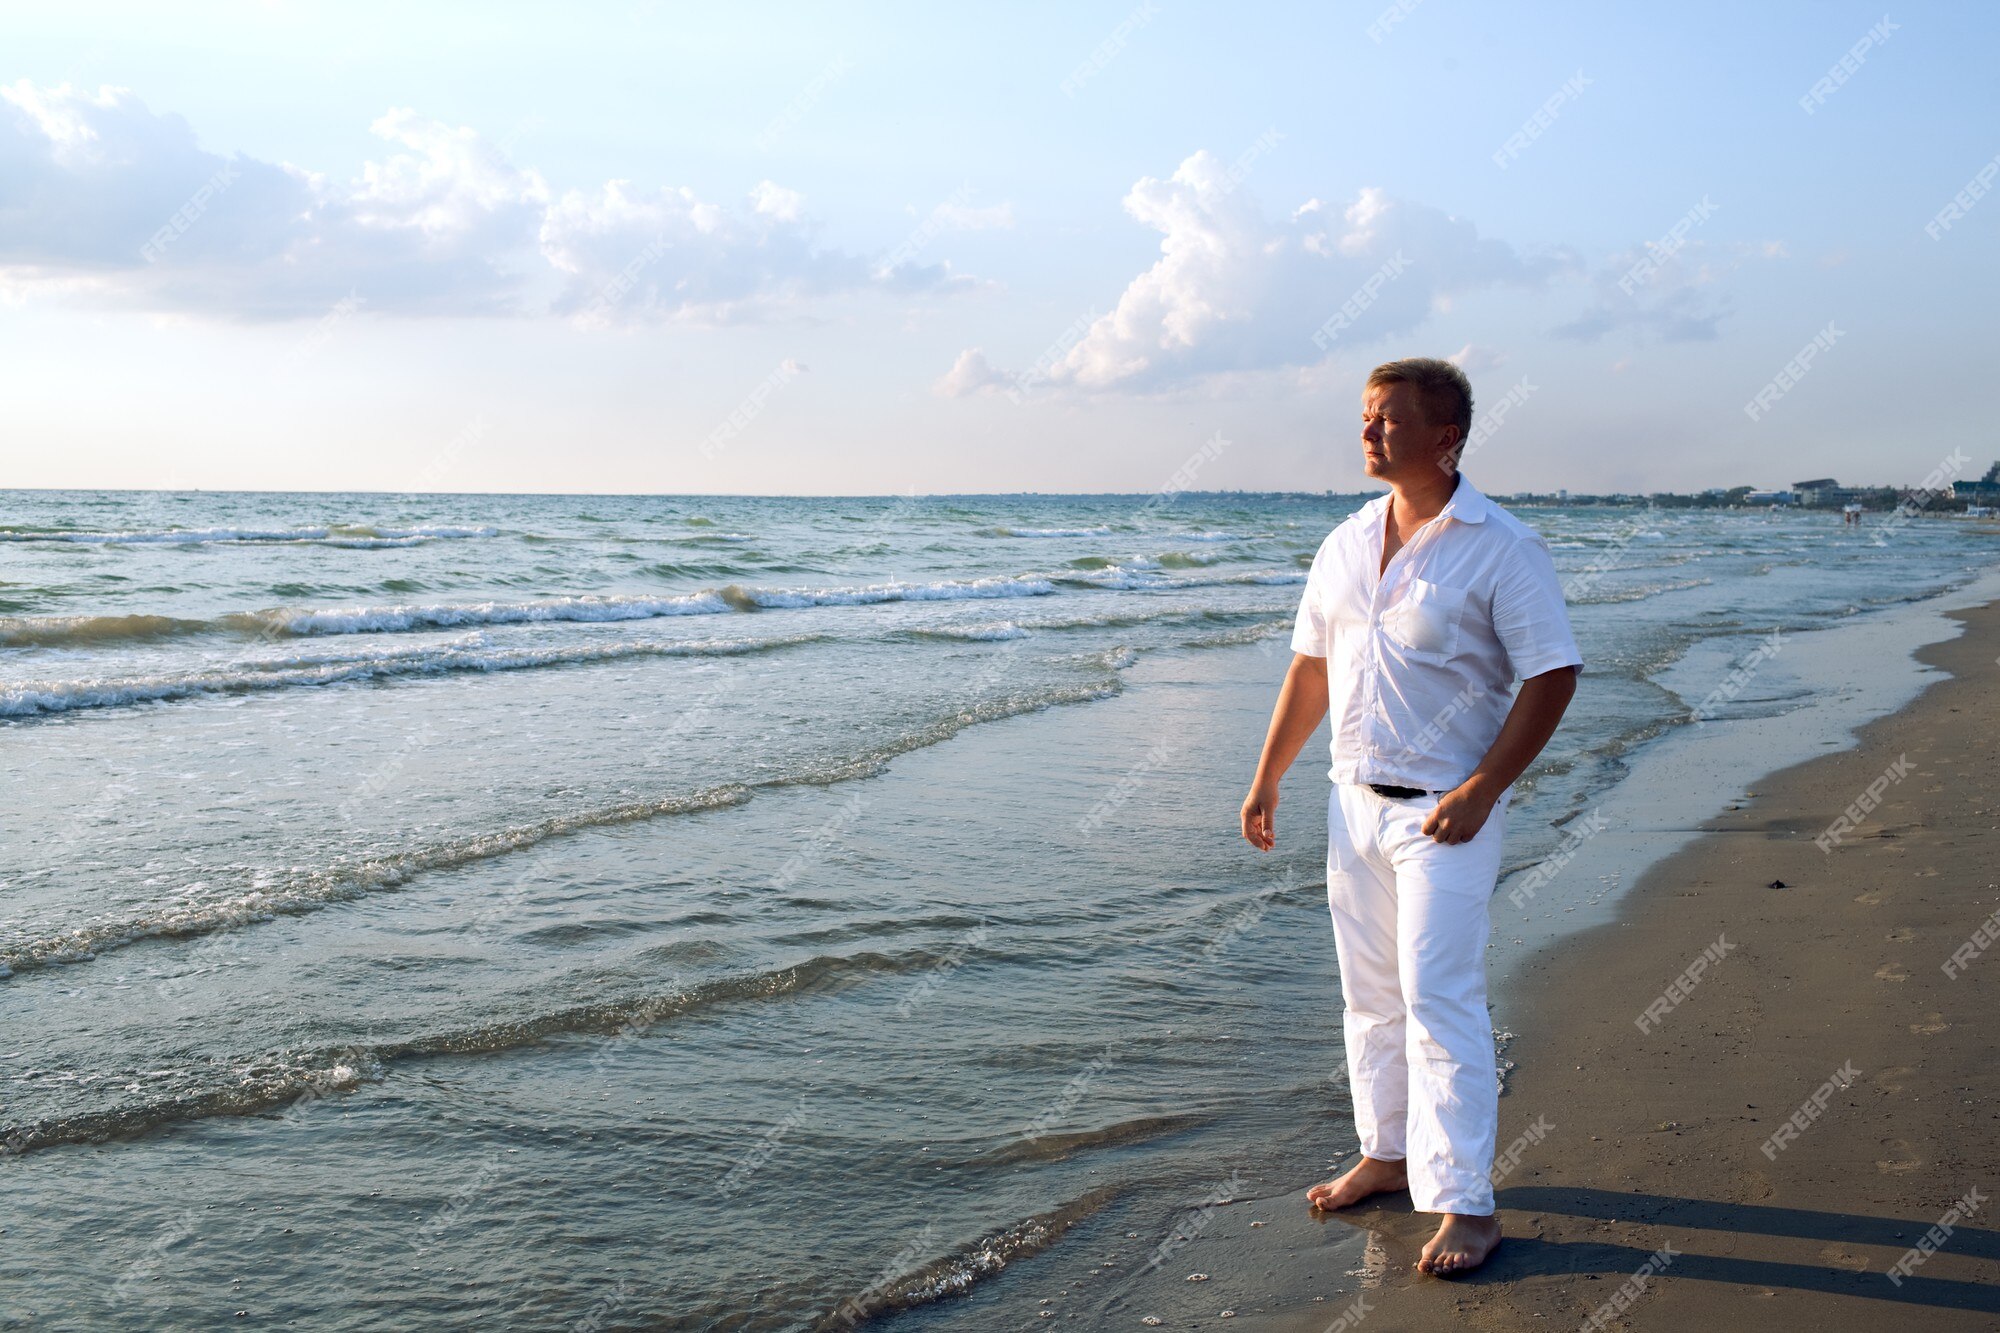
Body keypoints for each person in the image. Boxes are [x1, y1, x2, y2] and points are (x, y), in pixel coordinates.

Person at [1240, 357, 1581, 1276]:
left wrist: (1482, 789)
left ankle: (1467, 1202)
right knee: (1372, 1000)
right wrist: (1269, 775)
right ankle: (1387, 1155)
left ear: (1445, 436)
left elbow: (1553, 672)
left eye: (1387, 419)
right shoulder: (1346, 541)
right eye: (1364, 416)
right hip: (1351, 805)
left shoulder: (1500, 545)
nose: (1367, 432)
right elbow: (1313, 666)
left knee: (1440, 1001)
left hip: (1445, 816)